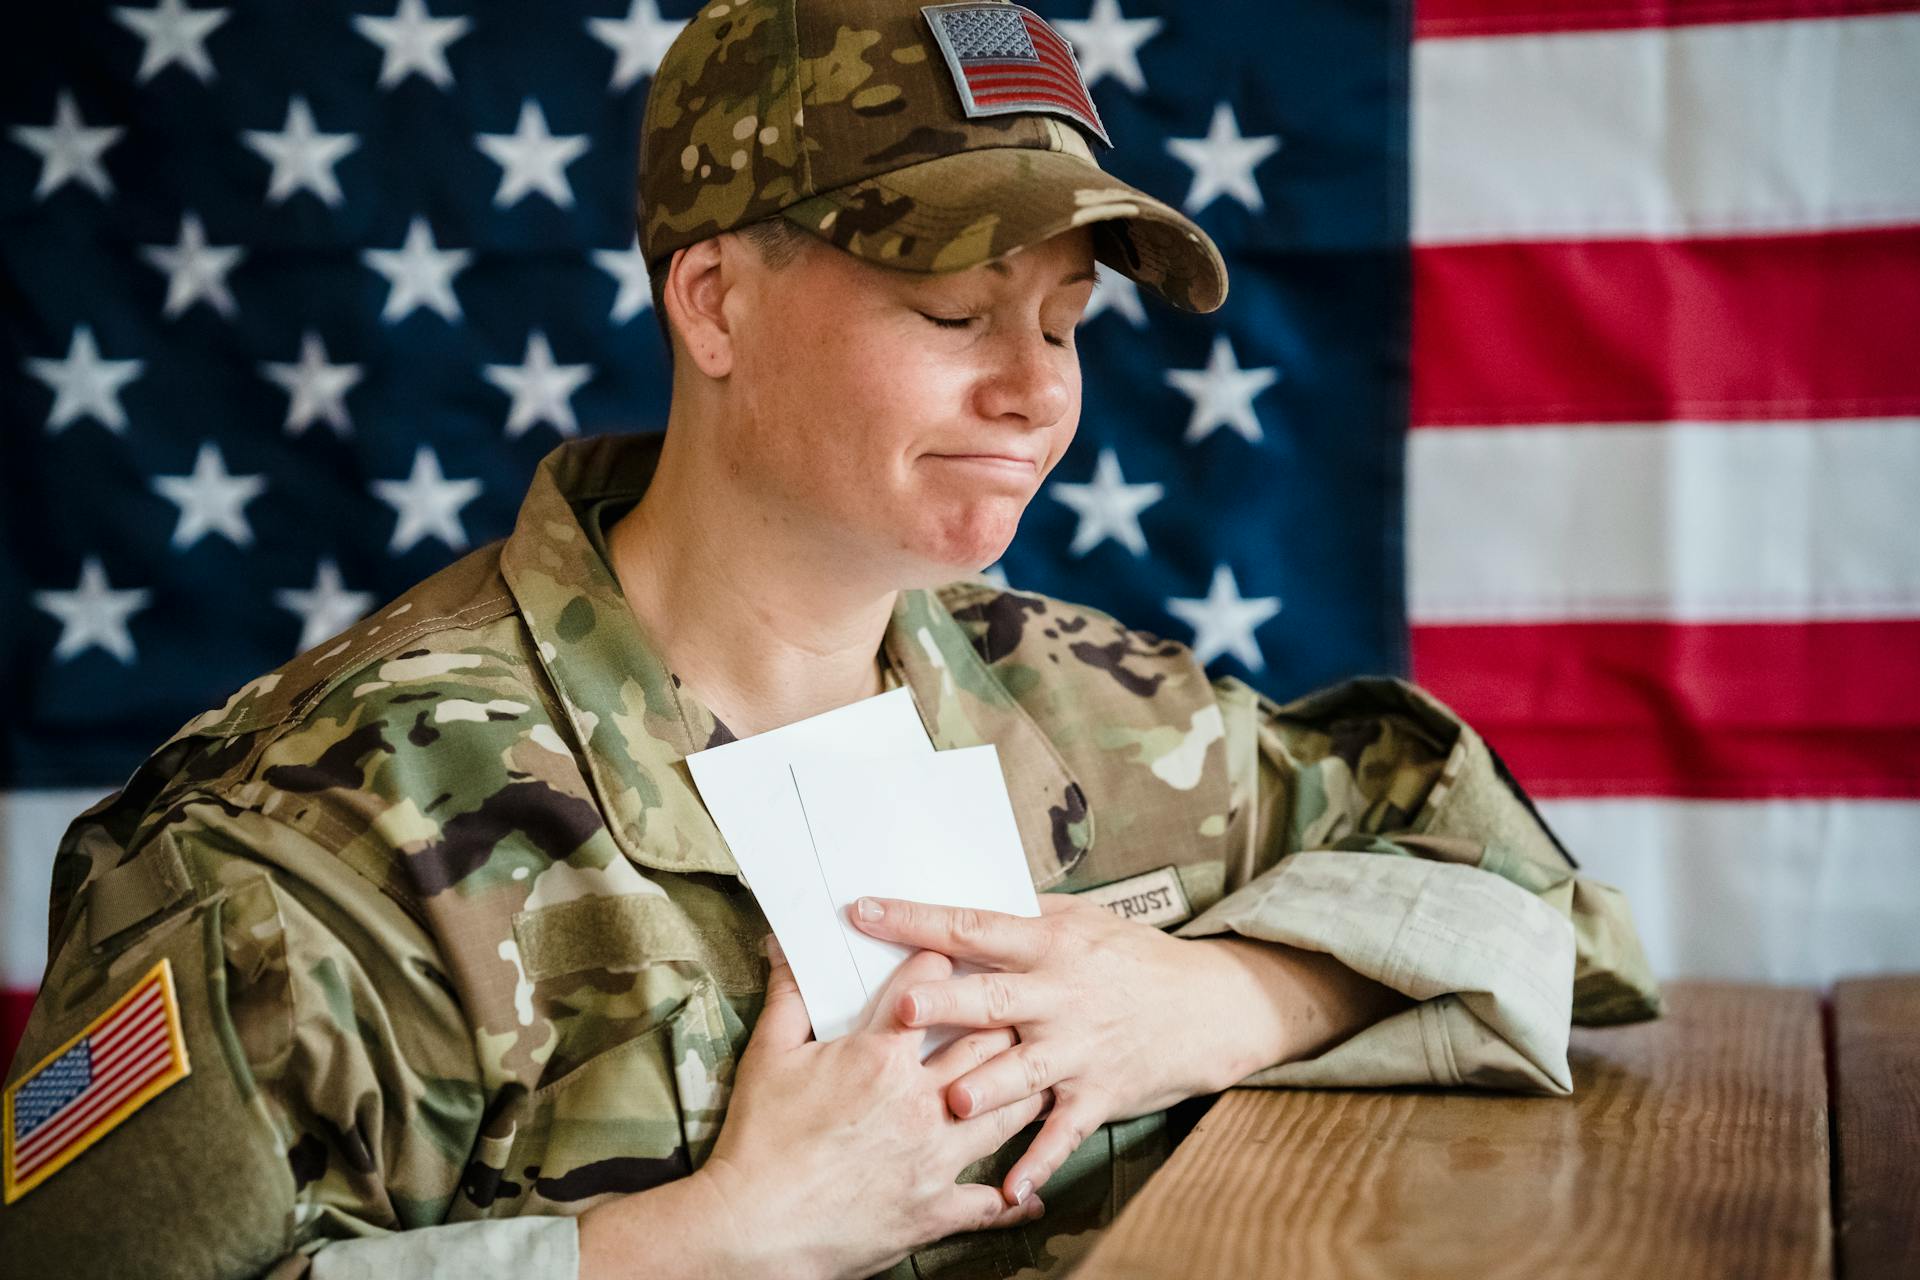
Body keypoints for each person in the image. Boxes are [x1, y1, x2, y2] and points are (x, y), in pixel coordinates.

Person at [0, 2, 1662, 1277]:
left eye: (1064, 324)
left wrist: (1228, 996)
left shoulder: (1093, 711)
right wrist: (698, 1243)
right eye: (952, 314)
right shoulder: (318, 845)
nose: (1036, 394)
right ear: (714, 303)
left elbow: (1538, 900)